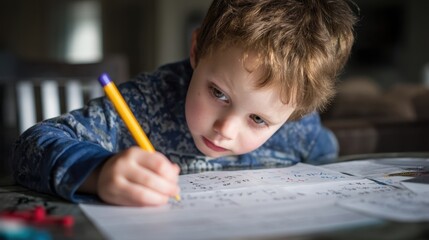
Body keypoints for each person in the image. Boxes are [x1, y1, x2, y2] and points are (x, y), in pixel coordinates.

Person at [10, 0, 356, 206]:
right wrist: (98, 173)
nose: (225, 129)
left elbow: (327, 159)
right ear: (196, 51)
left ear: (295, 114)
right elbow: (31, 146)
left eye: (258, 119)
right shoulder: (145, 104)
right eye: (218, 93)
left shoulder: (300, 128)